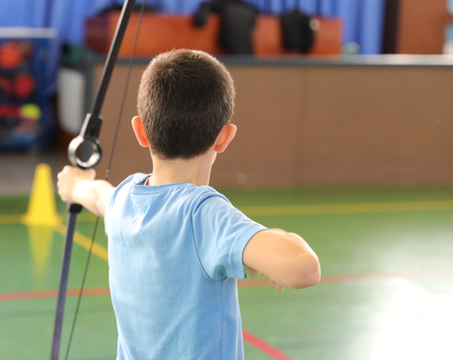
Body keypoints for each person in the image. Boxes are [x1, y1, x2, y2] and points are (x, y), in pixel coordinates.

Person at [57, 48, 320, 360]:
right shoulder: (204, 214)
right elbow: (305, 268)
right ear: (224, 138)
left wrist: (75, 184)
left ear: (141, 131)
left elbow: (97, 195)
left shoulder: (124, 198)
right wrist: (280, 237)